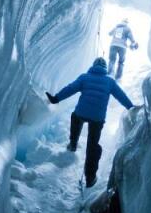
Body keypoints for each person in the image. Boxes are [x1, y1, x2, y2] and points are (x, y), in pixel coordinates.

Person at [45, 57, 134, 187]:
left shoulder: (85, 77)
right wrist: (131, 107)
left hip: (82, 112)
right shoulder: (110, 81)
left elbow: (70, 88)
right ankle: (90, 178)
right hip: (97, 118)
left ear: (93, 66)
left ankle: (73, 143)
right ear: (104, 68)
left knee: (75, 117)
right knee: (92, 146)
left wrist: (56, 98)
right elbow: (121, 96)